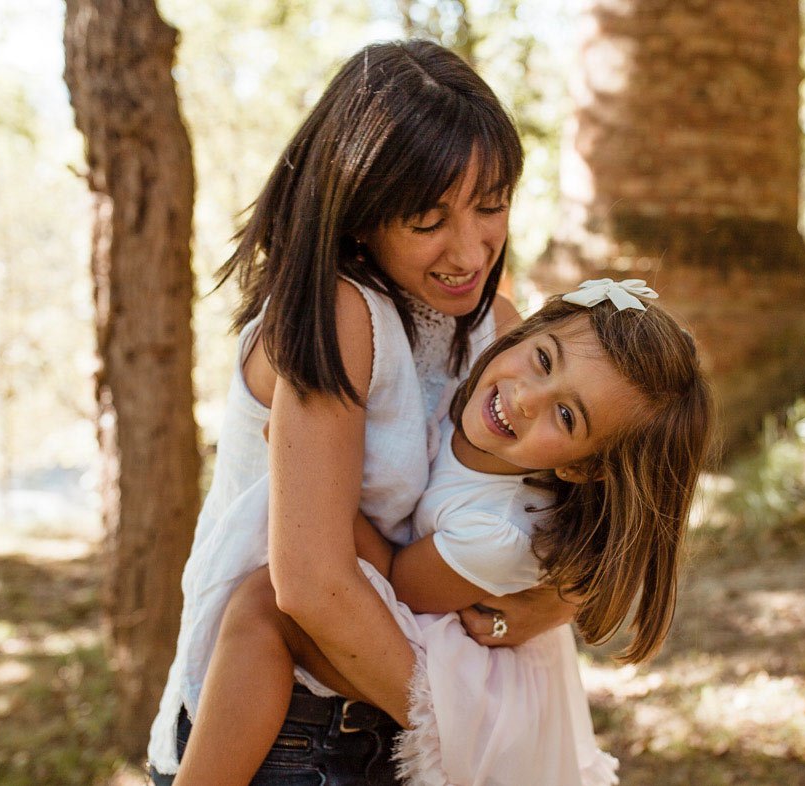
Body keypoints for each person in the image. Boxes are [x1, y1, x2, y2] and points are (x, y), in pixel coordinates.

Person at [147, 40, 574, 785]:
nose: (469, 250)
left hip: (394, 723)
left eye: (491, 205)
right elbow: (311, 585)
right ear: (358, 213)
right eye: (426, 219)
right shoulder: (339, 314)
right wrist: (466, 726)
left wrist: (550, 605)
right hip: (288, 735)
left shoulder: (495, 329)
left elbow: (565, 514)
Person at [172, 280, 714, 786]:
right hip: (427, 607)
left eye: (567, 416)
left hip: (457, 652)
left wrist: (304, 471)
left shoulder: (498, 532)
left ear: (581, 468)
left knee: (263, 607)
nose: (529, 397)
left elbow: (397, 581)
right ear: (524, 333)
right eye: (545, 360)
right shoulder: (485, 372)